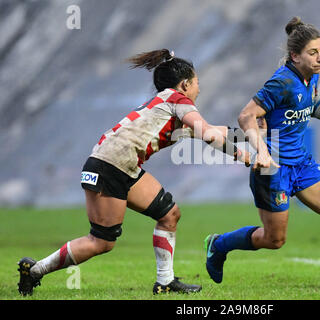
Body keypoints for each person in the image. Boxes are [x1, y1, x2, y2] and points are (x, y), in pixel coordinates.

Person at [17, 49, 250, 296]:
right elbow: (209, 134)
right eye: (197, 83)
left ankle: (165, 282)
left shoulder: (167, 105)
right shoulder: (179, 101)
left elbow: (212, 130)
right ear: (185, 84)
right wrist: (241, 155)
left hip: (120, 165)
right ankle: (34, 271)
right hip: (110, 166)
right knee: (102, 242)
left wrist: (252, 134)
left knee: (169, 214)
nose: (199, 89)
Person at [204, 17, 320, 289]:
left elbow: (297, 111)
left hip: (301, 164)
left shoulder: (311, 77)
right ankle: (218, 244)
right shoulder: (281, 82)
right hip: (273, 170)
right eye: (313, 53)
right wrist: (262, 152)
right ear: (295, 55)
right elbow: (246, 116)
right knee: (274, 240)